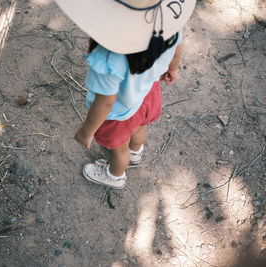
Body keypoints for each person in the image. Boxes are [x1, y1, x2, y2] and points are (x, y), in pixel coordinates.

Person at [55, 0, 195, 189]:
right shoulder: (167, 26)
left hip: (120, 114)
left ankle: (115, 176)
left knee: (120, 149)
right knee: (139, 127)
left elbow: (106, 102)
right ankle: (136, 152)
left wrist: (86, 131)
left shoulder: (108, 58)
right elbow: (177, 47)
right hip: (148, 97)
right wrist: (173, 68)